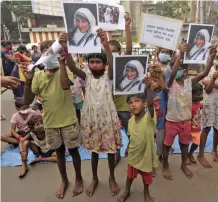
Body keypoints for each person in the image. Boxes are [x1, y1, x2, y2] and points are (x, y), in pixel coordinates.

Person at [59, 29, 121, 197]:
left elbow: (112, 63)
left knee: (110, 151)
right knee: (93, 151)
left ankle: (111, 177)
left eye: (97, 62)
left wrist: (106, 46)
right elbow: (71, 65)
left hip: (107, 119)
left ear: (104, 64)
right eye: (91, 61)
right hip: (91, 120)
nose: (94, 64)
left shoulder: (109, 76)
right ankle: (94, 178)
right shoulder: (86, 75)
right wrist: (65, 47)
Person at [23, 40, 83, 198]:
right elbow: (27, 101)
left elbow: (64, 86)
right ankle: (64, 181)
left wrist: (62, 63)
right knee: (59, 153)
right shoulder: (38, 76)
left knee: (74, 152)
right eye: (45, 53)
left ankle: (78, 178)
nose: (48, 56)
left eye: (51, 52)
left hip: (69, 120)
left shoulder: (66, 71)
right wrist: (28, 81)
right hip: (50, 122)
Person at [162, 44, 217, 180]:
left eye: (183, 67)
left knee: (184, 144)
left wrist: (211, 58)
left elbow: (204, 73)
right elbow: (174, 73)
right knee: (167, 145)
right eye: (178, 65)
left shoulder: (189, 83)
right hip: (172, 121)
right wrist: (179, 55)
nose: (181, 69)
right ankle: (165, 165)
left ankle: (183, 164)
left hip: (185, 121)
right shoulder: (170, 83)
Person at [118, 76, 157, 202]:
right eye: (130, 103)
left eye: (136, 101)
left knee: (146, 178)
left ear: (144, 103)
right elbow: (131, 137)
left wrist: (149, 88)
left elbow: (151, 105)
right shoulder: (130, 121)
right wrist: (128, 148)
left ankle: (146, 193)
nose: (133, 105)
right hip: (134, 155)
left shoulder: (149, 118)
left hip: (146, 156)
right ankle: (127, 191)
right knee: (130, 175)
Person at [110, 14, 132, 165]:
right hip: (110, 108)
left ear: (119, 51)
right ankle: (117, 153)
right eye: (108, 50)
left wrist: (127, 27)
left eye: (114, 50)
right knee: (114, 134)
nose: (112, 53)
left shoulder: (124, 66)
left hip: (125, 107)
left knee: (131, 132)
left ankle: (130, 148)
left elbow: (129, 50)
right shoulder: (103, 69)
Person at [0, 98, 38, 177]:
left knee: (25, 142)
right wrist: (19, 137)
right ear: (17, 109)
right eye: (23, 108)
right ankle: (20, 142)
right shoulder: (15, 116)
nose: (26, 110)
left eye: (27, 107)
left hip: (31, 133)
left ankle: (24, 163)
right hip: (21, 133)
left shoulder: (33, 113)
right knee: (3, 137)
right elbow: (12, 130)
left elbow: (40, 121)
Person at [149, 67, 168, 164]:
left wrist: (160, 76)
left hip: (160, 124)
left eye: (155, 81)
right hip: (150, 123)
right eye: (151, 80)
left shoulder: (163, 93)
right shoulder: (148, 92)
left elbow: (165, 88)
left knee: (160, 142)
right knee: (150, 143)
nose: (152, 82)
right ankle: (151, 159)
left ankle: (160, 155)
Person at [187, 83, 203, 164]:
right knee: (185, 142)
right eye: (198, 95)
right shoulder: (188, 104)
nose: (200, 96)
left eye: (201, 94)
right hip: (188, 128)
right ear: (192, 95)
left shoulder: (198, 103)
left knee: (197, 142)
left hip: (196, 128)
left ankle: (190, 154)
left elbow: (200, 106)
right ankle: (186, 155)